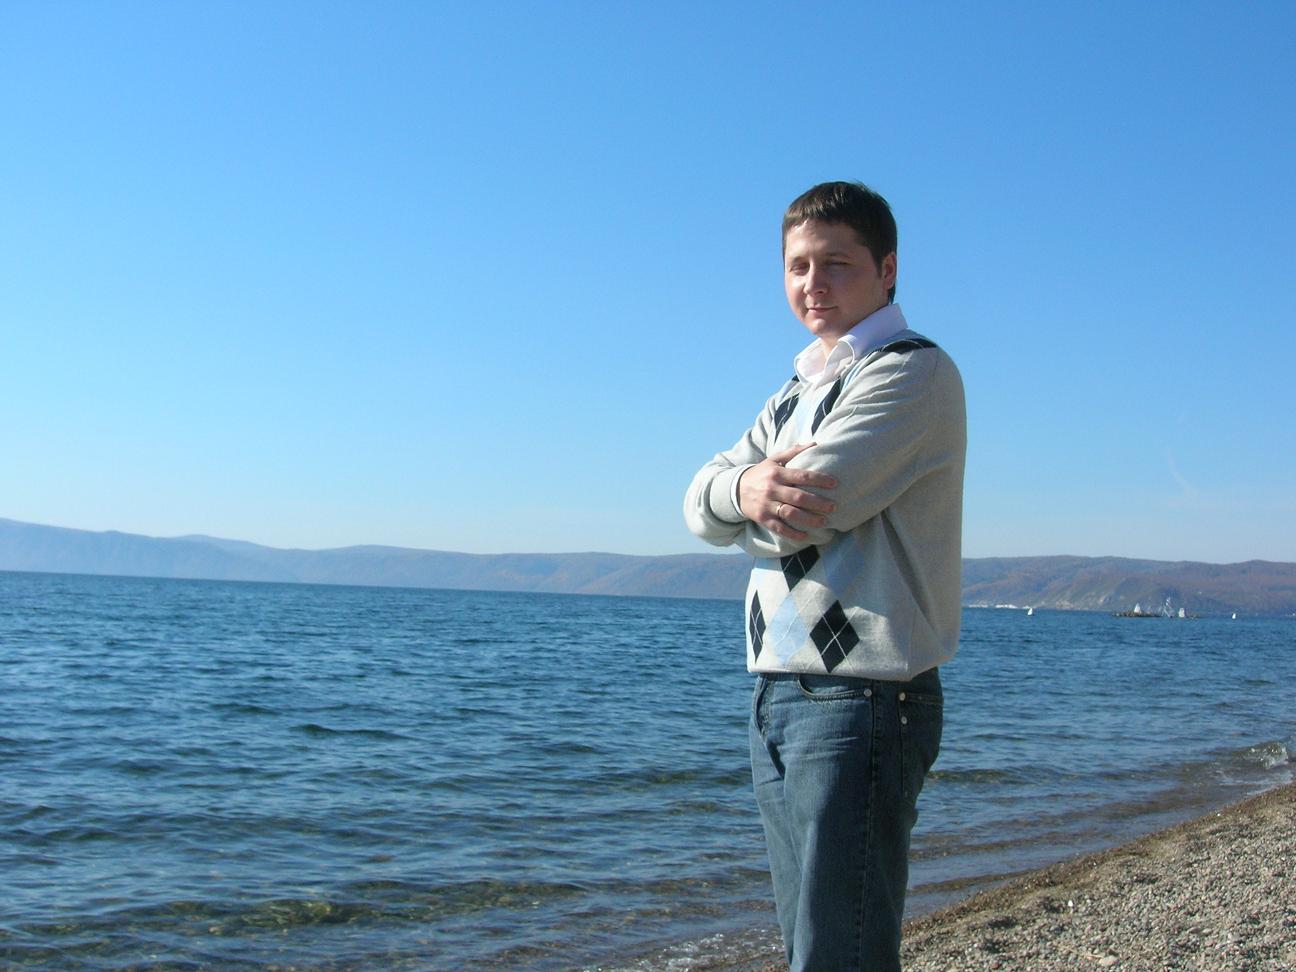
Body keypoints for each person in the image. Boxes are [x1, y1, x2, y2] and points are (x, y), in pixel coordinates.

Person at [683, 181, 966, 971]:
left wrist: (744, 504)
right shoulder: (792, 393)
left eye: (836, 263)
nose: (814, 282)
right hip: (779, 690)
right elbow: (698, 503)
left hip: (862, 696)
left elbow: (804, 514)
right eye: (798, 265)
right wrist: (745, 486)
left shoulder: (911, 373)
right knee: (809, 946)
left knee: (838, 955)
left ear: (887, 270)